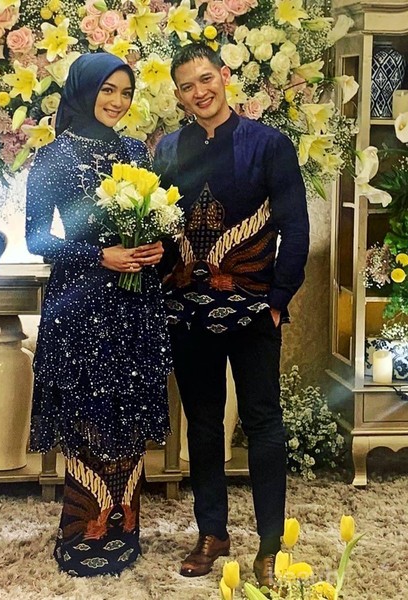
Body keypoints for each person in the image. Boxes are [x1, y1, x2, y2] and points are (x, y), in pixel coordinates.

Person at [153, 43, 310, 588]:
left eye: (206, 79)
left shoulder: (269, 145)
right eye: (187, 86)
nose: (200, 92)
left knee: (263, 423)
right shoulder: (167, 149)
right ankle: (212, 533)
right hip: (188, 313)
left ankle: (269, 547)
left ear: (224, 76)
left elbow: (296, 227)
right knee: (201, 424)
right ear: (178, 95)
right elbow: (159, 226)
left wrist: (278, 300)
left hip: (254, 311)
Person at [25, 52, 172, 577]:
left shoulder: (135, 151)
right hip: (81, 307)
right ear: (83, 91)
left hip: (134, 305)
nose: (117, 102)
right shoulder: (53, 156)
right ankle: (81, 538)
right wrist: (99, 256)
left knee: (127, 419)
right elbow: (37, 238)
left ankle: (124, 533)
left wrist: (154, 246)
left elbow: (155, 218)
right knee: (88, 421)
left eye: (126, 92)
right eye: (108, 90)